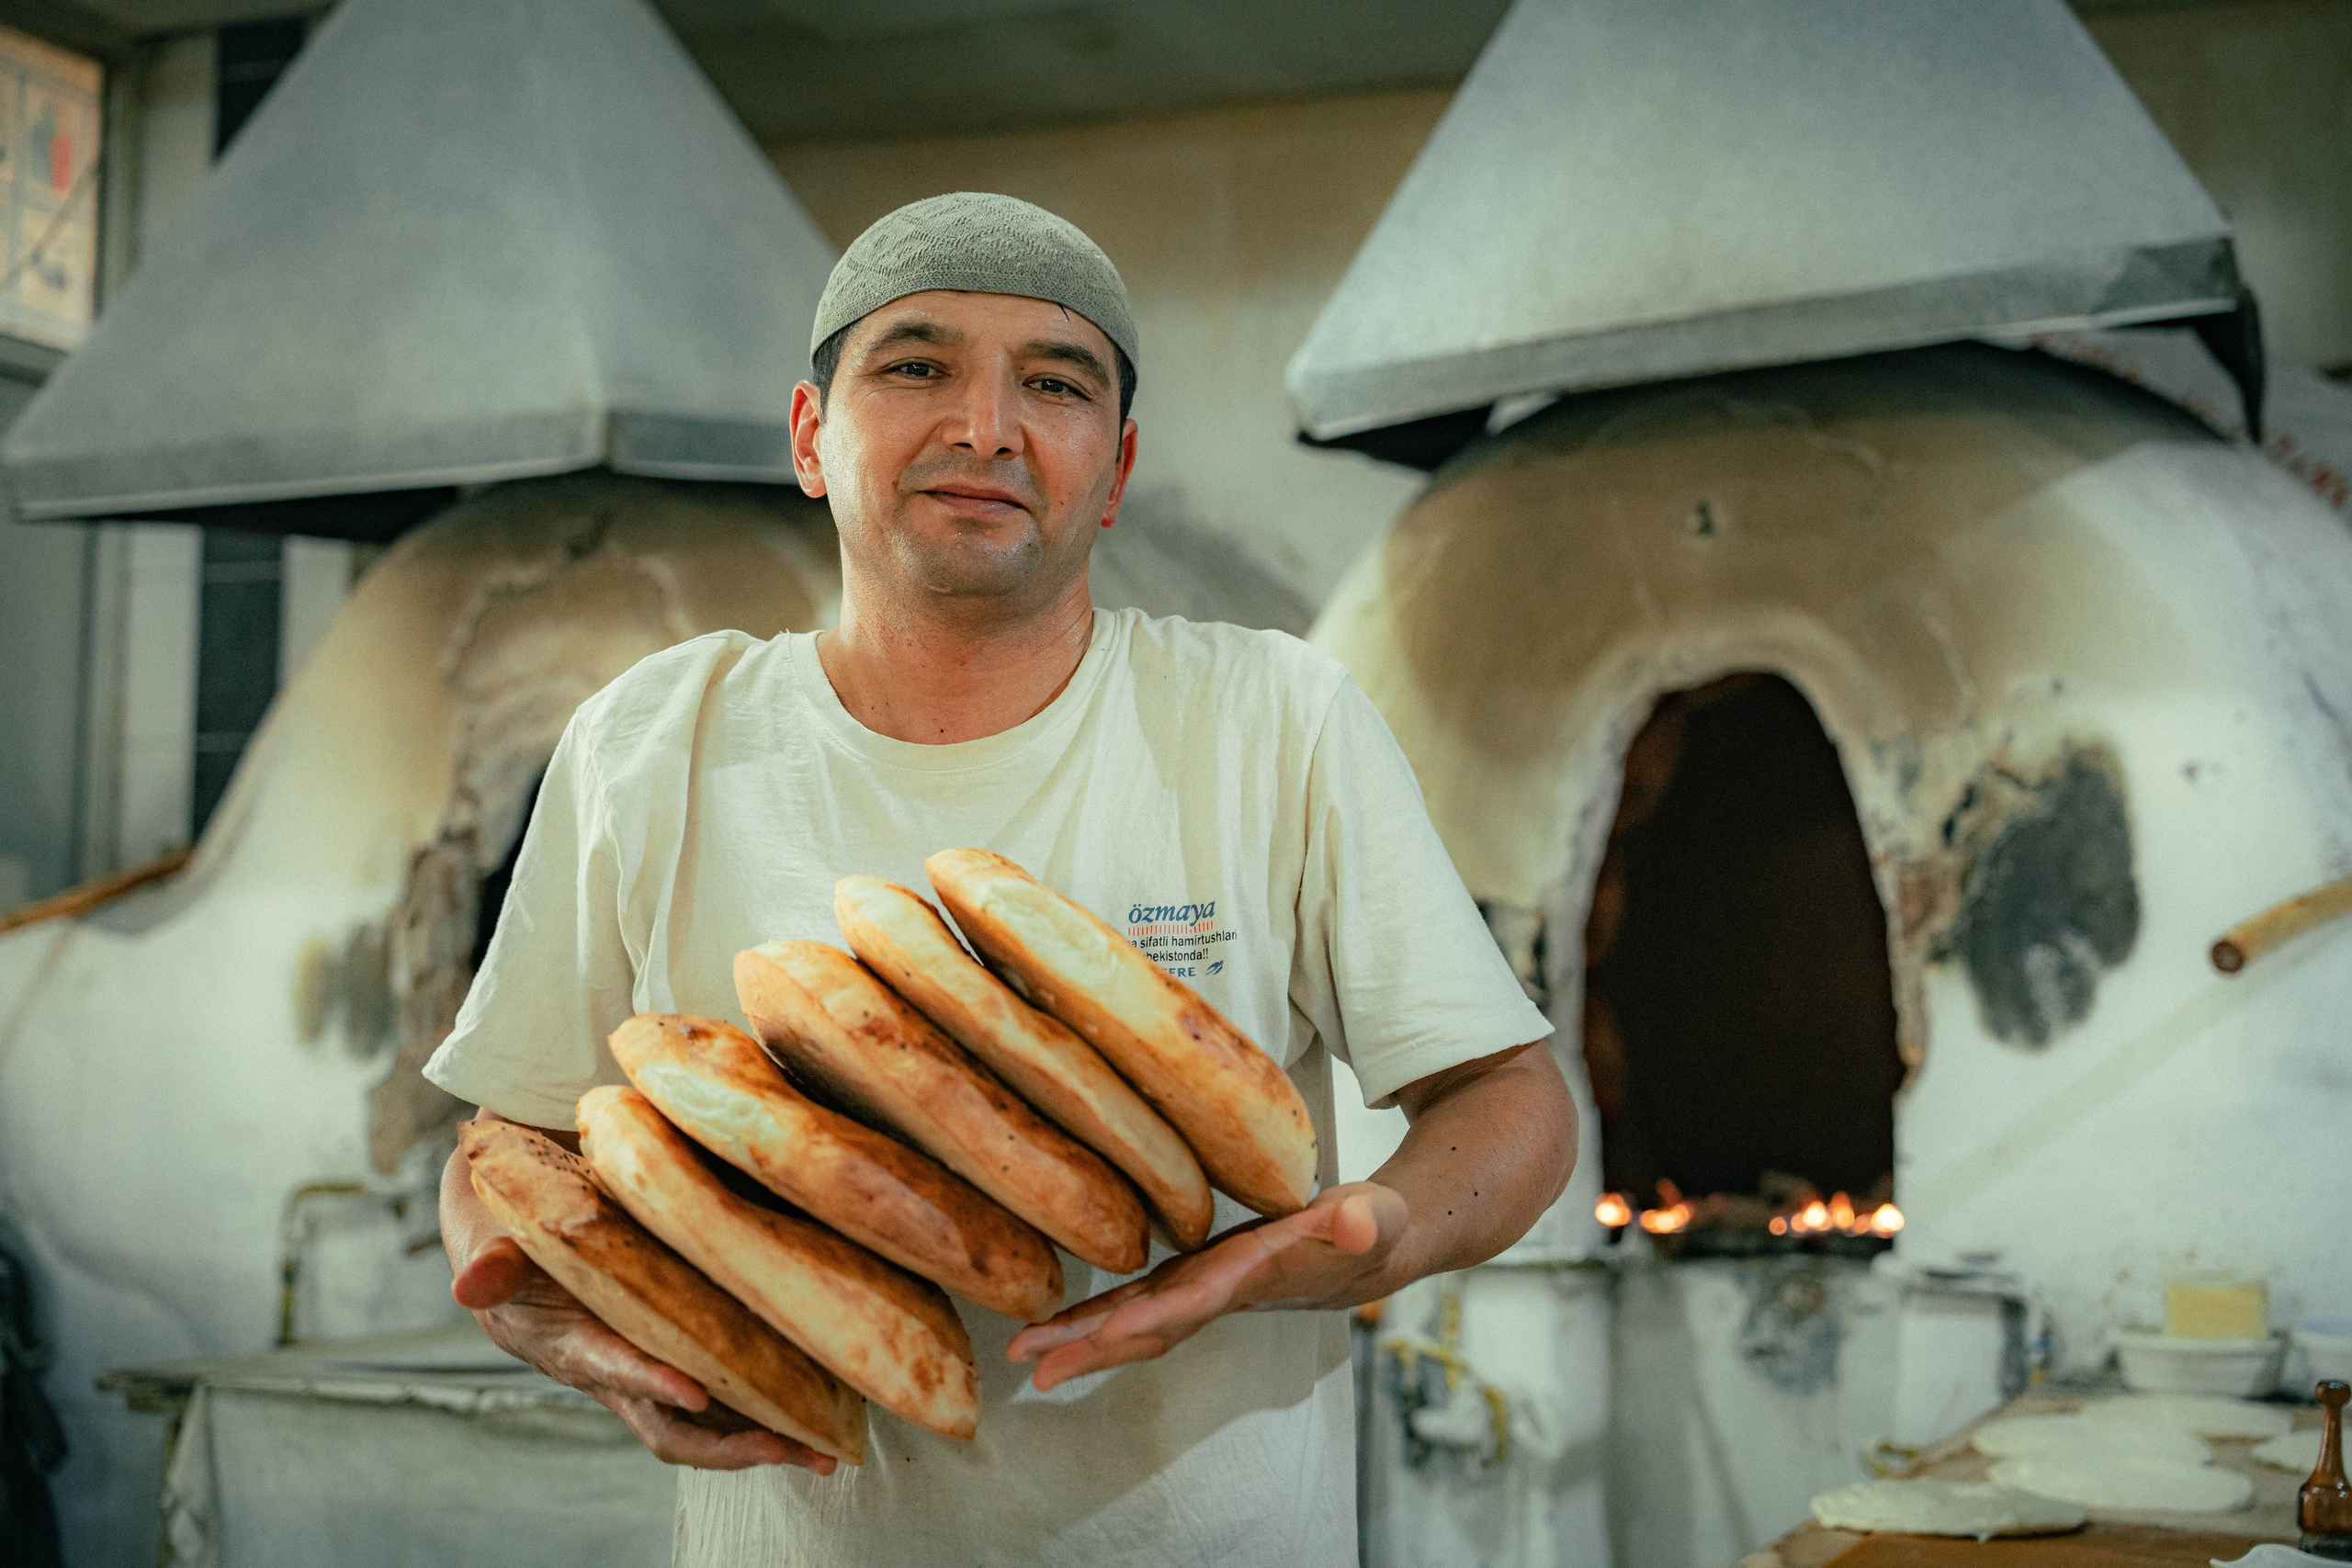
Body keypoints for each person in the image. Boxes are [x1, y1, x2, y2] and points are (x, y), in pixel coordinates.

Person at [429, 191, 1577, 1566]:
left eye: (1056, 383)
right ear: (810, 436)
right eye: (917, 366)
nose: (986, 427)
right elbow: (511, 1152)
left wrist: (1380, 1235)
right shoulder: (652, 739)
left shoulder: (1273, 720)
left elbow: (1511, 1102)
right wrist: (570, 1323)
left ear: (1118, 466)